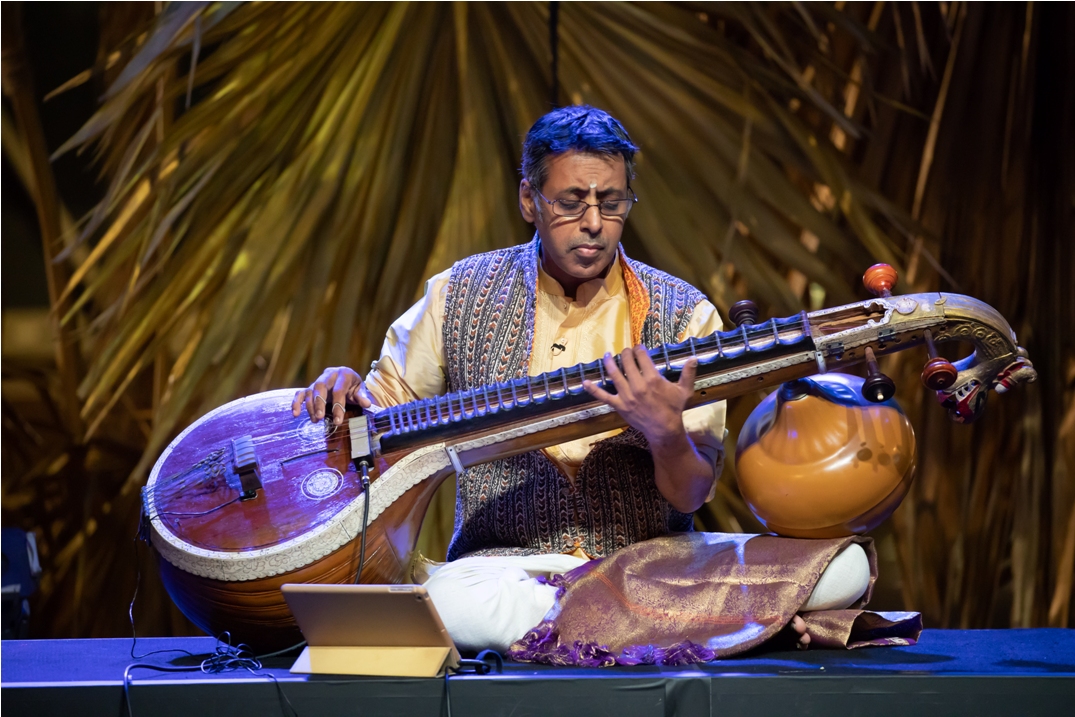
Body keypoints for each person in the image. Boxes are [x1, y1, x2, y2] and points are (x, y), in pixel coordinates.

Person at [293, 106, 869, 654]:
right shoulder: (459, 294)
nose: (593, 223)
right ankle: (655, 634)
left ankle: (582, 630)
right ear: (529, 199)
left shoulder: (683, 317)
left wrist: (665, 433)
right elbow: (385, 409)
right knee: (451, 601)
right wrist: (347, 387)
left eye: (611, 203)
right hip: (507, 568)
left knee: (843, 570)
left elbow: (691, 492)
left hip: (650, 567)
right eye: (571, 201)